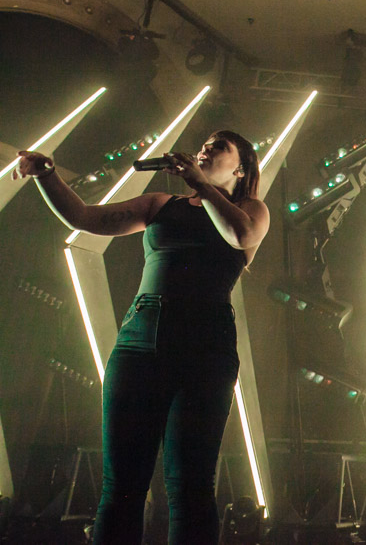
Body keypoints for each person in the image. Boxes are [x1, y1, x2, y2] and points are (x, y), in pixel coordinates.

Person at [13, 130, 270, 544]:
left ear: (240, 168)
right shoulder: (160, 204)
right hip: (139, 339)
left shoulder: (251, 210)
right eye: (204, 143)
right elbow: (85, 218)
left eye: (218, 146)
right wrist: (47, 175)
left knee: (189, 486)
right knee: (122, 487)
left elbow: (239, 237)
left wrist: (202, 187)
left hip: (204, 348)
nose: (205, 148)